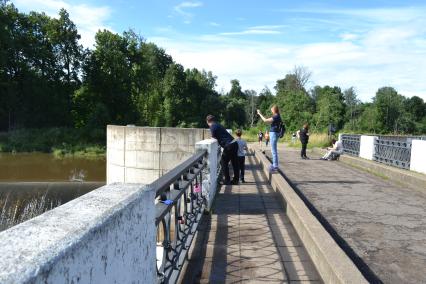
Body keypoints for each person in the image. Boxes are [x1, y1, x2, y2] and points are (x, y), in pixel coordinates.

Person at [206, 115, 239, 185]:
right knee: (234, 163)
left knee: (223, 162)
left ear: (207, 121)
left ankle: (227, 180)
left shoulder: (212, 126)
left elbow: (213, 138)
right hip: (234, 143)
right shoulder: (218, 124)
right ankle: (236, 180)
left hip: (229, 145)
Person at [257, 105, 282, 172]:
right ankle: (274, 165)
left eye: (271, 110)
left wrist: (259, 113)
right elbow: (270, 122)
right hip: (275, 133)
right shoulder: (277, 116)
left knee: (273, 151)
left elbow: (265, 120)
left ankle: (275, 166)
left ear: (274, 110)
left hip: (273, 133)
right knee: (274, 150)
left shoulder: (276, 116)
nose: (271, 111)